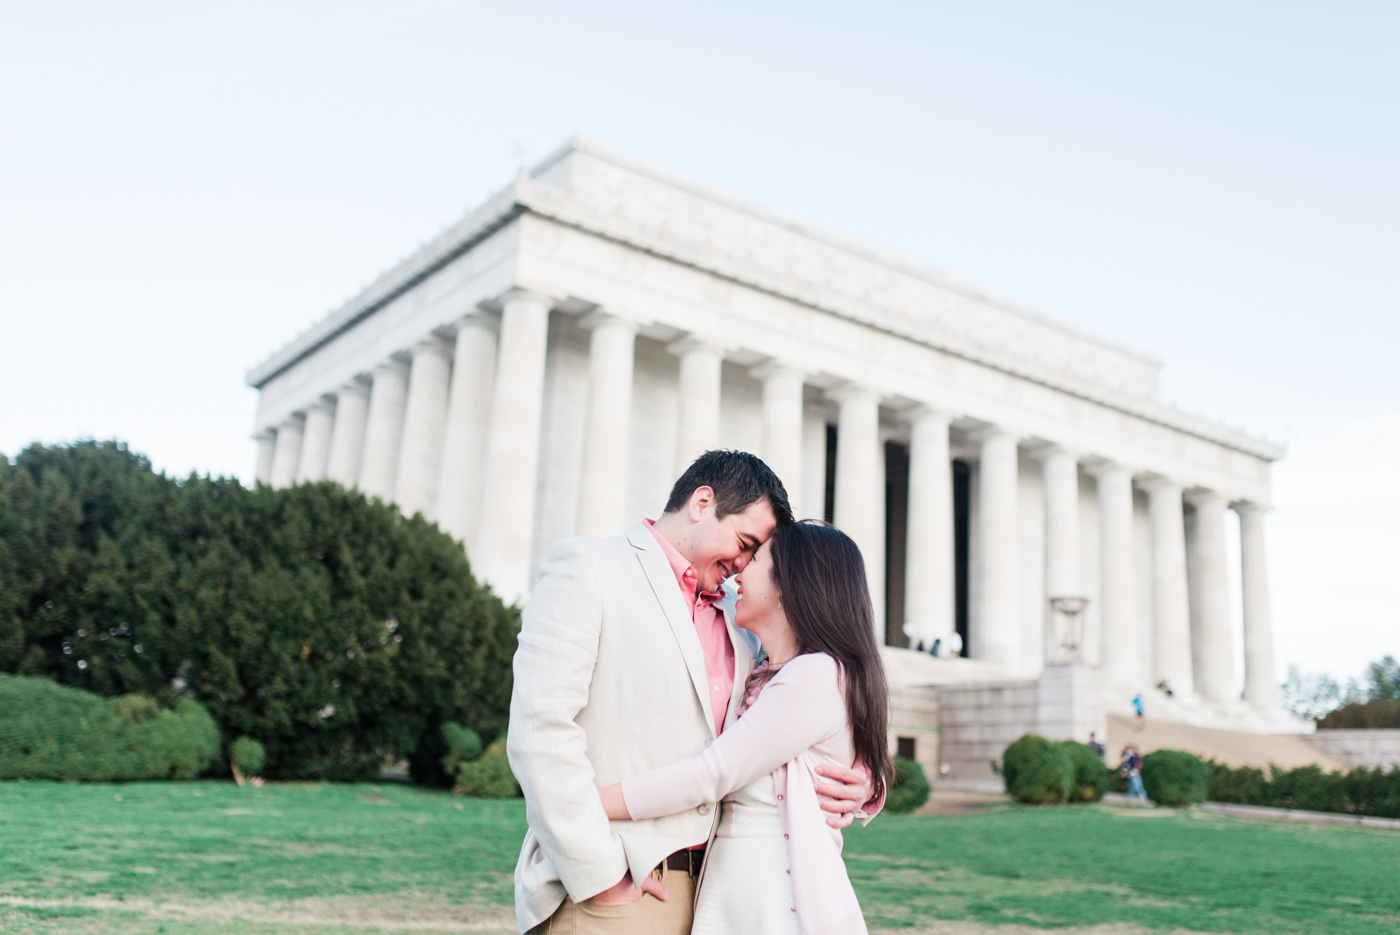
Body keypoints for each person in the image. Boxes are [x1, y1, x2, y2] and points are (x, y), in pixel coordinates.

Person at [507, 451, 881, 935]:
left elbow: (803, 715)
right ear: (702, 503)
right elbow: (541, 728)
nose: (744, 565)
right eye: (746, 543)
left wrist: (865, 779)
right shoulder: (588, 567)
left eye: (756, 556)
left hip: (716, 895)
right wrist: (597, 873)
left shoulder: (743, 615)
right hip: (621, 885)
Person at [596, 520, 891, 935]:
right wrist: (870, 785)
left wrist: (584, 804)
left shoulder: (815, 676)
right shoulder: (765, 667)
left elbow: (711, 774)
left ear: (787, 585)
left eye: (755, 559)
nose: (738, 571)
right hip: (738, 888)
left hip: (775, 899)